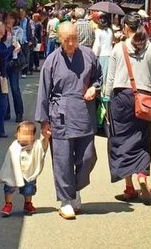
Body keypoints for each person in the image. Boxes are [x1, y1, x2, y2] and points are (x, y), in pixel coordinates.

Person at [36, 21, 102, 220]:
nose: (72, 43)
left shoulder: (89, 55)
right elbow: (43, 92)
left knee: (88, 157)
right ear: (60, 40)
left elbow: (98, 77)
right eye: (67, 40)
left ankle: (75, 189)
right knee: (62, 160)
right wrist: (44, 121)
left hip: (84, 113)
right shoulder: (52, 60)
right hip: (61, 115)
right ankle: (66, 200)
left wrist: (94, 88)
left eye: (74, 38)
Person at [103, 13, 151, 200]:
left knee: (121, 140)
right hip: (145, 99)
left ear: (126, 28)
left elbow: (110, 77)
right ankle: (142, 175)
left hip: (121, 98)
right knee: (142, 139)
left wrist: (105, 97)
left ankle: (129, 187)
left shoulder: (119, 48)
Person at [0, 121, 50, 217]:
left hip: (28, 173)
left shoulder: (36, 145)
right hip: (13, 173)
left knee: (28, 189)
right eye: (21, 134)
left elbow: (43, 149)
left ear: (34, 136)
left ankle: (27, 204)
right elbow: (9, 160)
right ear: (16, 134)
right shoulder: (14, 146)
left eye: (28, 135)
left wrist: (46, 138)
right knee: (9, 187)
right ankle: (8, 204)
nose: (24, 137)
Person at [3, 12, 25, 122]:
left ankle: (19, 113)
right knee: (4, 88)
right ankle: (6, 112)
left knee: (15, 88)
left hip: (14, 61)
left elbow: (18, 44)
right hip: (3, 60)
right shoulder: (2, 30)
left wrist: (12, 32)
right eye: (8, 18)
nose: (9, 20)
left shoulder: (18, 30)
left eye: (11, 18)